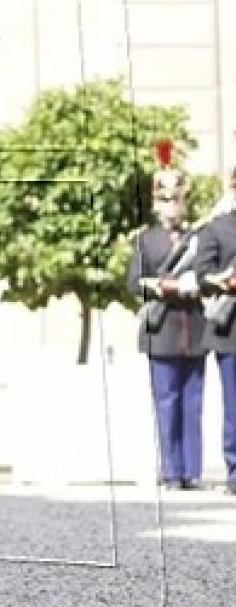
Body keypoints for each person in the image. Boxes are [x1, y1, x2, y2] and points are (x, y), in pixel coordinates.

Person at [127, 141, 206, 490]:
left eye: (177, 199)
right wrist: (162, 286)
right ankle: (172, 471)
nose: (172, 206)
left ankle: (192, 471)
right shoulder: (146, 241)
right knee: (167, 401)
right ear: (156, 204)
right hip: (162, 330)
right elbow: (134, 284)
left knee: (193, 402)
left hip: (194, 328)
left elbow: (209, 274)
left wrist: (196, 284)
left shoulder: (198, 237)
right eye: (165, 200)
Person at [194, 158, 236, 496]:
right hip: (231, 330)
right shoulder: (217, 229)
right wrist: (220, 280)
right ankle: (235, 471)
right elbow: (201, 273)